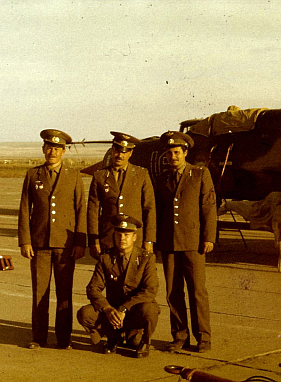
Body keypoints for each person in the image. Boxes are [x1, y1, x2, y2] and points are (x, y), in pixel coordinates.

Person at [18, 129, 86, 350]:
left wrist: (79, 242)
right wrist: (25, 241)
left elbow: (80, 211)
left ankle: (64, 339)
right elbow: (24, 210)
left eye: (57, 148)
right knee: (40, 292)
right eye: (49, 147)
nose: (52, 152)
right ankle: (38, 337)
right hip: (39, 244)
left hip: (65, 245)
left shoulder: (74, 176)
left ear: (63, 152)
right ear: (43, 149)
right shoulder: (32, 175)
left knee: (64, 293)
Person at [154, 131, 217, 353]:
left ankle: (203, 338)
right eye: (169, 153)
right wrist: (154, 241)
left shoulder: (200, 174)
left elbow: (209, 208)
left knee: (198, 291)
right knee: (173, 292)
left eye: (177, 152)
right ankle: (179, 336)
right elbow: (158, 212)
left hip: (193, 243)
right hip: (169, 243)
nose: (173, 156)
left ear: (185, 153)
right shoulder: (161, 178)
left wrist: (209, 237)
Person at [77, 215, 160, 358]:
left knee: (150, 310)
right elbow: (93, 288)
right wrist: (107, 308)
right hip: (113, 312)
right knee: (85, 313)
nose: (122, 239)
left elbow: (150, 290)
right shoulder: (106, 258)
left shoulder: (146, 258)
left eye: (127, 235)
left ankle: (143, 341)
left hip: (135, 310)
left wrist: (124, 308)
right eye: (119, 235)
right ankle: (113, 337)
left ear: (134, 237)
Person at [87, 131, 156, 260]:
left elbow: (149, 208)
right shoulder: (100, 176)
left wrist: (149, 240)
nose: (120, 155)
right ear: (112, 150)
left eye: (124, 152)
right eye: (117, 151)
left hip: (135, 239)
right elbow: (93, 211)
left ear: (130, 153)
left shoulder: (141, 175)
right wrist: (94, 240)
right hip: (108, 239)